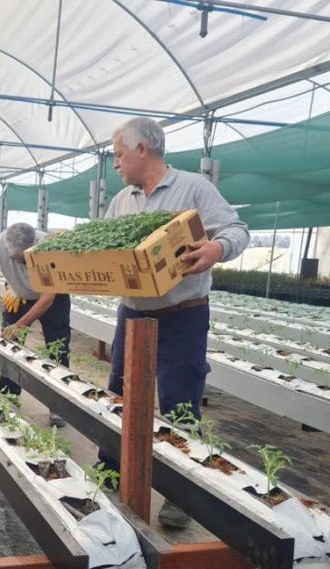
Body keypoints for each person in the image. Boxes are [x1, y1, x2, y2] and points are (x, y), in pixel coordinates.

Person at [97, 117, 250, 528]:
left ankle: (179, 494)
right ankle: (110, 468)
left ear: (142, 150)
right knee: (119, 395)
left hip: (182, 316)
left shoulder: (194, 189)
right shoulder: (123, 201)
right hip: (132, 313)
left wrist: (217, 246)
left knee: (180, 404)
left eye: (119, 155)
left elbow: (238, 228)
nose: (116, 164)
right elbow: (105, 245)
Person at [0, 222, 71, 428]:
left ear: (33, 246)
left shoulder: (47, 246)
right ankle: (9, 396)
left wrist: (21, 324)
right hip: (19, 295)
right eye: (15, 258)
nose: (19, 263)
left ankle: (59, 407)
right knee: (9, 346)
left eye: (24, 259)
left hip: (53, 297)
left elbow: (47, 298)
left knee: (58, 347)